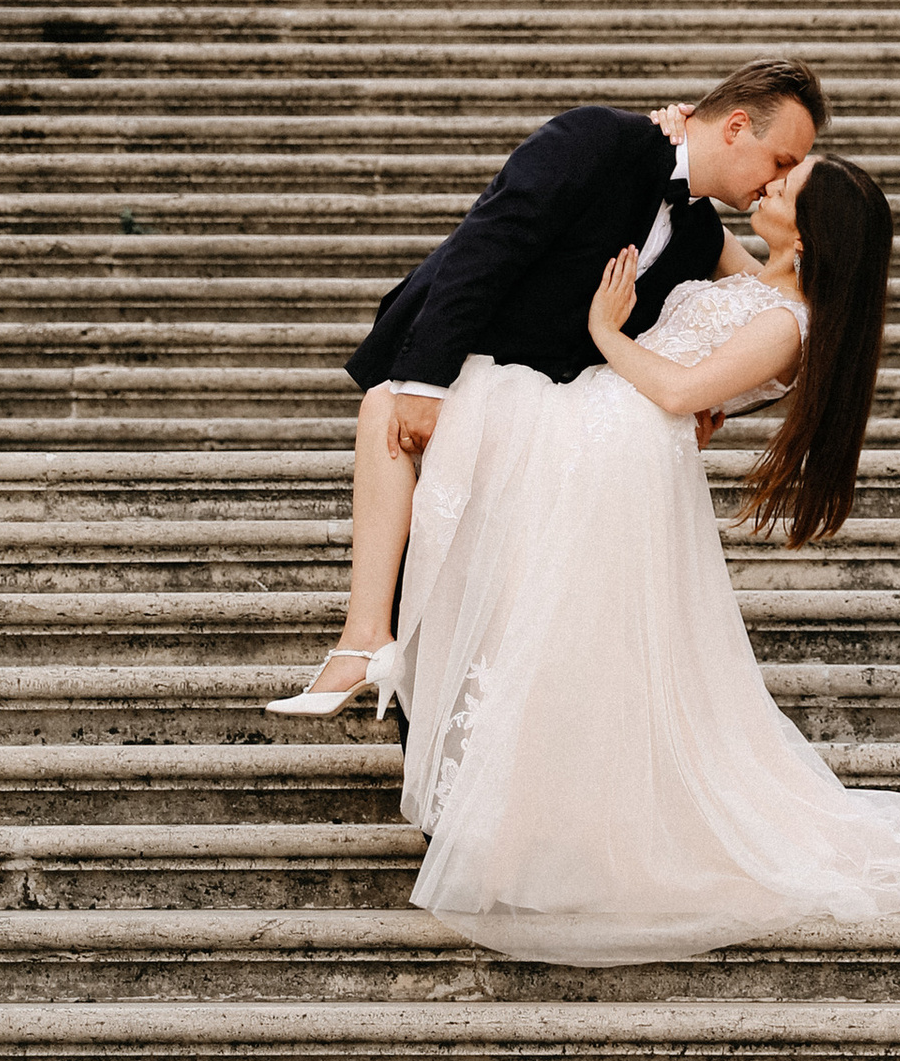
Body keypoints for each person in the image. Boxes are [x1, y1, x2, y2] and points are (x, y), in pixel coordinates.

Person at [271, 62, 829, 718]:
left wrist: (712, 398)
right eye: (781, 159)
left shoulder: (702, 234)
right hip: (486, 369)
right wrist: (427, 376)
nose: (776, 180)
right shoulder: (599, 139)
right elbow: (487, 244)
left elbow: (775, 324)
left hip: (568, 408)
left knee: (397, 438)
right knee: (391, 412)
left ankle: (372, 653)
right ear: (736, 126)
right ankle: (373, 653)